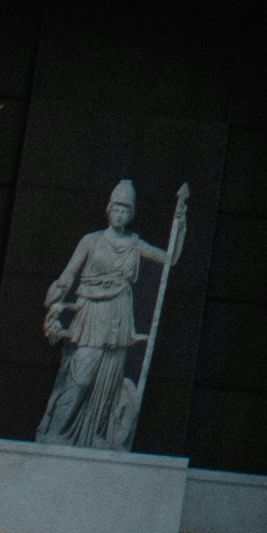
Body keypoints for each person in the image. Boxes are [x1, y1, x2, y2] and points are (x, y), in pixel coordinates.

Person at [33, 179, 169, 450]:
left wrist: (181, 224)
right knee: (81, 373)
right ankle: (56, 430)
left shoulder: (133, 244)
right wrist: (58, 291)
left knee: (108, 379)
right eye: (116, 209)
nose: (119, 215)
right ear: (109, 211)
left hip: (118, 313)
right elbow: (70, 272)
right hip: (91, 311)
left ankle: (97, 436)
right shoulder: (91, 240)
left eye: (125, 211)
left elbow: (168, 258)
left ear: (130, 215)